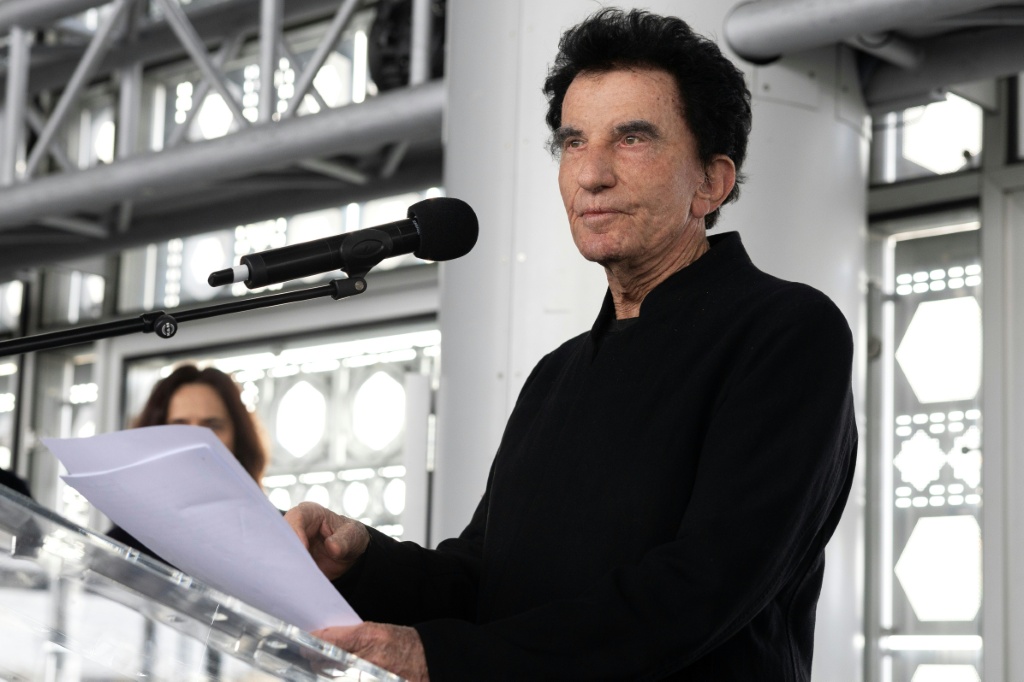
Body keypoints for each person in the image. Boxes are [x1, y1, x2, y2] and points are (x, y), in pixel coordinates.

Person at [285, 8, 857, 680]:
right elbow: (485, 583)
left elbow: (699, 591)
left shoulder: (787, 331)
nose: (591, 174)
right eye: (574, 142)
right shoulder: (556, 375)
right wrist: (360, 559)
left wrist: (437, 657)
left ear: (711, 181)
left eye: (632, 139)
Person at [107, 364, 270, 559]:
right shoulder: (121, 546)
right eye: (179, 426)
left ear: (239, 439)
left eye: (213, 426)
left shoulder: (285, 533)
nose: (196, 440)